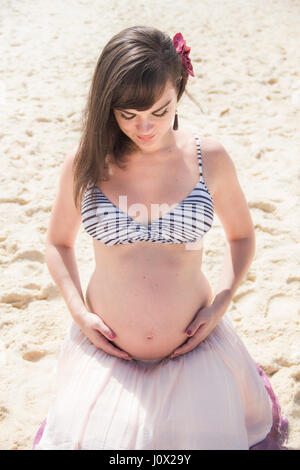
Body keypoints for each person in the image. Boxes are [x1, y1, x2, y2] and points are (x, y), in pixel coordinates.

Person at [33, 26, 288, 450]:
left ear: (180, 89)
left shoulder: (210, 158)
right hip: (106, 361)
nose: (145, 127)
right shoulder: (86, 162)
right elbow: (58, 244)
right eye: (128, 115)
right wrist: (79, 312)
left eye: (159, 110)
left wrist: (222, 303)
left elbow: (241, 236)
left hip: (197, 356)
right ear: (107, 106)